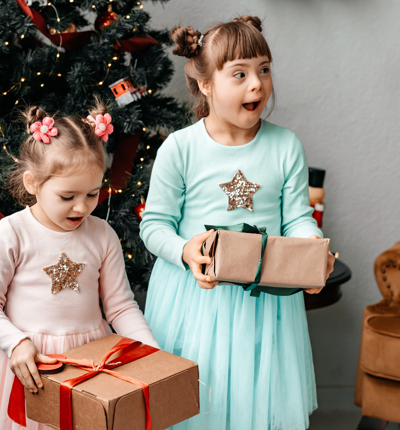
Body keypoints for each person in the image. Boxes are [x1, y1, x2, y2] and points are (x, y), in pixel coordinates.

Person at [140, 15, 334, 430]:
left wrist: (313, 252)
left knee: (254, 401)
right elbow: (154, 225)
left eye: (264, 70)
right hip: (194, 300)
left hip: (264, 304)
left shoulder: (285, 146)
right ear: (206, 84)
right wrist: (185, 250)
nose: (257, 84)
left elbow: (298, 216)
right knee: (195, 404)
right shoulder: (181, 149)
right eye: (240, 74)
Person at [0, 102, 158, 430]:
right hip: (32, 365)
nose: (82, 207)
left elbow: (120, 307)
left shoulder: (102, 235)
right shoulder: (12, 233)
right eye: (67, 196)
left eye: (92, 193)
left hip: (91, 364)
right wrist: (15, 342)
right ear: (32, 183)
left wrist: (151, 353)